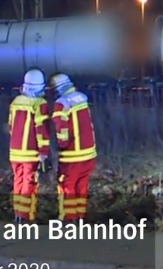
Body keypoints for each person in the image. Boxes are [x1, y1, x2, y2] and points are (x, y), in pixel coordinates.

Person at [47, 73, 97, 223]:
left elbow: (60, 126)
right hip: (89, 154)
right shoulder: (81, 97)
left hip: (72, 155)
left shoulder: (61, 103)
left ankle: (68, 219)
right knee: (81, 186)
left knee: (67, 186)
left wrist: (62, 144)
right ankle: (79, 217)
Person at [7, 68, 51, 224]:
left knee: (18, 182)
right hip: (30, 152)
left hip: (15, 151)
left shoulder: (16, 102)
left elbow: (11, 126)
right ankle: (26, 216)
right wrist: (43, 151)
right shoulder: (39, 103)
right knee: (29, 183)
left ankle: (18, 215)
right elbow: (41, 130)